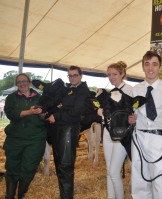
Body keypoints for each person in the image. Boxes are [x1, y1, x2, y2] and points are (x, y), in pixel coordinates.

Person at [128, 51, 162, 199]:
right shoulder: (135, 90)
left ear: (160, 68)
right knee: (139, 180)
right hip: (138, 138)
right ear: (143, 67)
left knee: (160, 181)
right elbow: (132, 114)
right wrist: (130, 119)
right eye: (147, 64)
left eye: (154, 64)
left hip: (160, 140)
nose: (151, 68)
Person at [46, 66, 90, 199]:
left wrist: (57, 116)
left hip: (69, 130)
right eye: (69, 76)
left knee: (65, 165)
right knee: (59, 164)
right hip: (59, 129)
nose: (72, 78)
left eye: (75, 75)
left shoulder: (83, 91)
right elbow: (61, 105)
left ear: (81, 76)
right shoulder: (69, 90)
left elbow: (77, 113)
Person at [3, 73, 47, 199]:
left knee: (29, 167)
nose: (22, 83)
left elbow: (45, 116)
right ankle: (9, 196)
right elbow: (11, 114)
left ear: (30, 82)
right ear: (16, 85)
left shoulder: (40, 98)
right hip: (15, 138)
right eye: (19, 82)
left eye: (24, 81)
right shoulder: (11, 98)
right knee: (12, 167)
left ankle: (21, 195)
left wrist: (43, 115)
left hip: (35, 138)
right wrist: (30, 112)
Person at [96, 61, 132, 199]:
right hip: (107, 132)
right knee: (109, 170)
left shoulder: (128, 90)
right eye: (109, 75)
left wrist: (104, 111)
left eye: (115, 74)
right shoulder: (112, 92)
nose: (111, 77)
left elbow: (125, 112)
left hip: (121, 134)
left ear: (122, 74)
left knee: (114, 171)